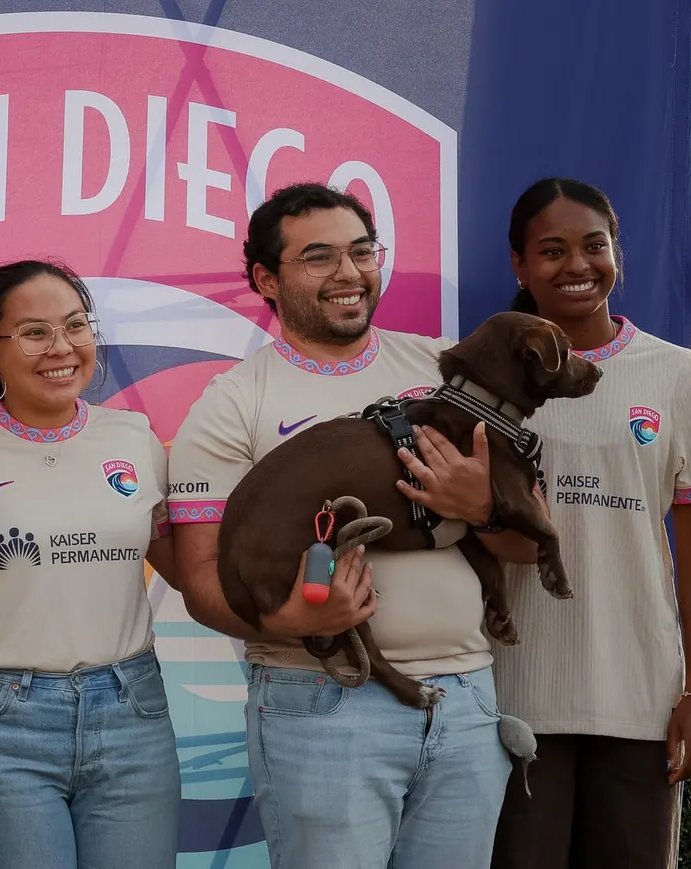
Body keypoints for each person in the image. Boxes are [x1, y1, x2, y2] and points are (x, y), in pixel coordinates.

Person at [169, 181, 541, 869]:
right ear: (266, 279)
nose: (349, 272)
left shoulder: (446, 369)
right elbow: (200, 580)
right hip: (322, 701)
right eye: (319, 257)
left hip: (466, 700)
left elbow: (527, 544)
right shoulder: (232, 404)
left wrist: (481, 507)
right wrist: (295, 621)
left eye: (362, 251)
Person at [488, 178, 691, 869]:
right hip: (514, 699)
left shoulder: (677, 374)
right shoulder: (490, 378)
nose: (577, 265)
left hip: (639, 700)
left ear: (616, 253)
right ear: (520, 265)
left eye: (594, 246)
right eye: (551, 250)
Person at [0, 260, 182, 869]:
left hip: (133, 714)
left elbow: (193, 570)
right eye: (34, 332)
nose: (61, 348)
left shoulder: (135, 438)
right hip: (2, 728)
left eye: (75, 326)